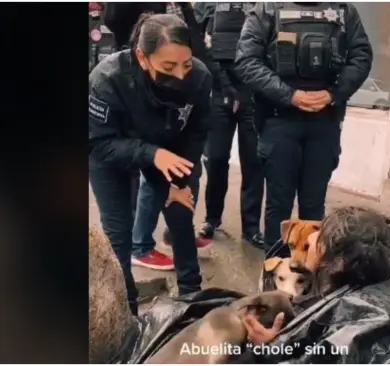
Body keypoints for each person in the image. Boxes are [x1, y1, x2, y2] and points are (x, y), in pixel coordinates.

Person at [89, 12, 212, 315]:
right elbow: (97, 143)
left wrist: (177, 184)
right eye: (168, 67)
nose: (180, 75)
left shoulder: (200, 77)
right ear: (142, 58)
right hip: (112, 153)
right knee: (119, 235)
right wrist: (151, 154)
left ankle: (192, 298)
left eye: (185, 64)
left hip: (170, 151)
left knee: (181, 212)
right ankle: (127, 312)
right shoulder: (107, 79)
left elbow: (196, 134)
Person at [235, 2, 373, 251]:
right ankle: (275, 271)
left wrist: (334, 93)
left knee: (313, 205)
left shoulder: (343, 10)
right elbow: (247, 61)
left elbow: (361, 56)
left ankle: (312, 273)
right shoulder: (267, 9)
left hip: (324, 121)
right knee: (279, 205)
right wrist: (289, 95)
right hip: (279, 119)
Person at [243, 206, 390, 345]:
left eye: (321, 238)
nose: (312, 236)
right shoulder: (379, 266)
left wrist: (269, 346)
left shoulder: (331, 320)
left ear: (338, 264)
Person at [198, 2, 265, 249]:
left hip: (254, 91)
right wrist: (224, 85)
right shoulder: (209, 4)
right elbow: (196, 41)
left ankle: (251, 228)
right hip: (219, 89)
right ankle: (211, 219)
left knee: (253, 161)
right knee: (215, 159)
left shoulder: (264, 5)